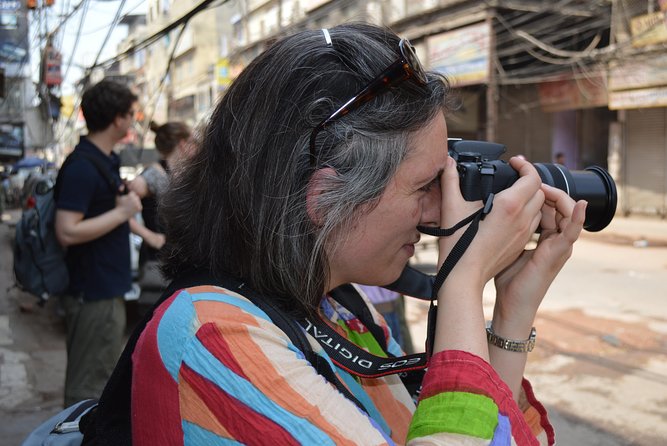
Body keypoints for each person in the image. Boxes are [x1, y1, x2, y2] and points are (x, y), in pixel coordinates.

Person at [129, 23, 586, 444]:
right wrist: (462, 282)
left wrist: (511, 310)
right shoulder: (210, 337)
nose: (438, 213)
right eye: (426, 186)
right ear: (326, 197)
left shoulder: (339, 306)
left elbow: (480, 431)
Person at [55, 79, 143, 407]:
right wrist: (122, 213)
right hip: (93, 293)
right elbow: (66, 230)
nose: (134, 120)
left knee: (99, 379)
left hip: (105, 289)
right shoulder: (82, 167)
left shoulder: (102, 160)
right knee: (86, 392)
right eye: (131, 114)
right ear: (117, 119)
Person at [128, 120, 192, 263]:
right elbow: (122, 211)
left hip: (177, 259)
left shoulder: (181, 174)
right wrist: (150, 236)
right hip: (157, 260)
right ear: (183, 144)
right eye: (193, 143)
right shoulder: (153, 174)